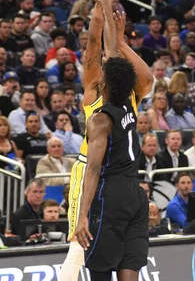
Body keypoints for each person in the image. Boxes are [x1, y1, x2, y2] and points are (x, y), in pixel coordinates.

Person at [60, 0, 153, 281]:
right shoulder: (108, 96)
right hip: (93, 171)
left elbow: (109, 52)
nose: (99, 65)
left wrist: (106, 9)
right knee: (78, 245)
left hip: (108, 179)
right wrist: (101, 10)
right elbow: (97, 47)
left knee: (90, 248)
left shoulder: (126, 92)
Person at [73, 55, 148, 281]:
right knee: (129, 267)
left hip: (111, 195)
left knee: (100, 268)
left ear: (105, 84)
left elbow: (93, 169)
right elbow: (115, 59)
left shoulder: (101, 121)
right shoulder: (129, 104)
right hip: (136, 194)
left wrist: (82, 214)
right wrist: (113, 26)